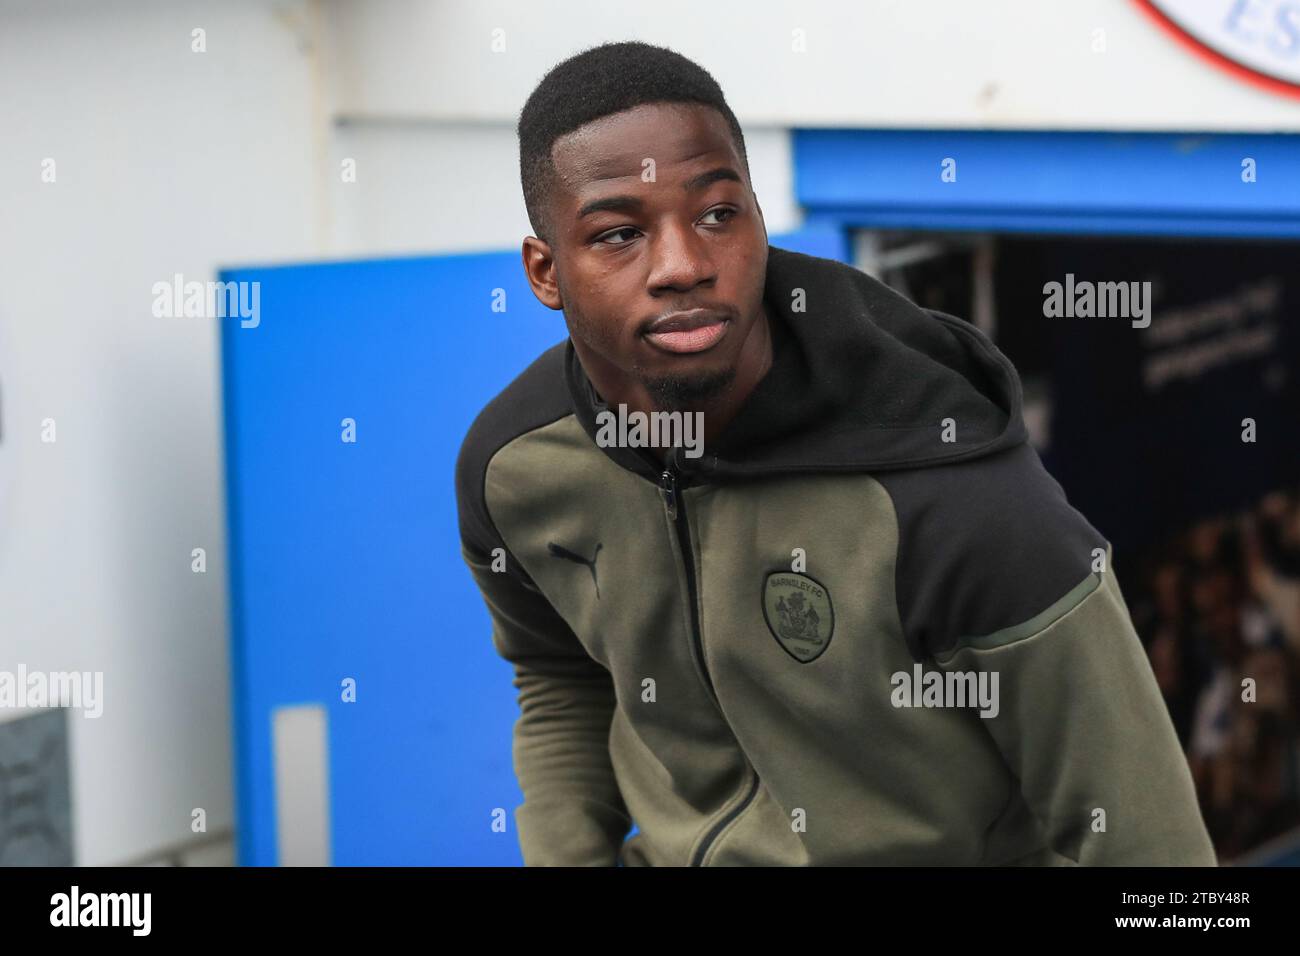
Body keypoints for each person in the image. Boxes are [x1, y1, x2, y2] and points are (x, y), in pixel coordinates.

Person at [455, 40, 1216, 866]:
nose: (683, 266)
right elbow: (560, 677)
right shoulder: (515, 468)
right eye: (618, 234)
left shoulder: (956, 493)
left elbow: (1151, 854)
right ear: (545, 271)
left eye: (718, 214)